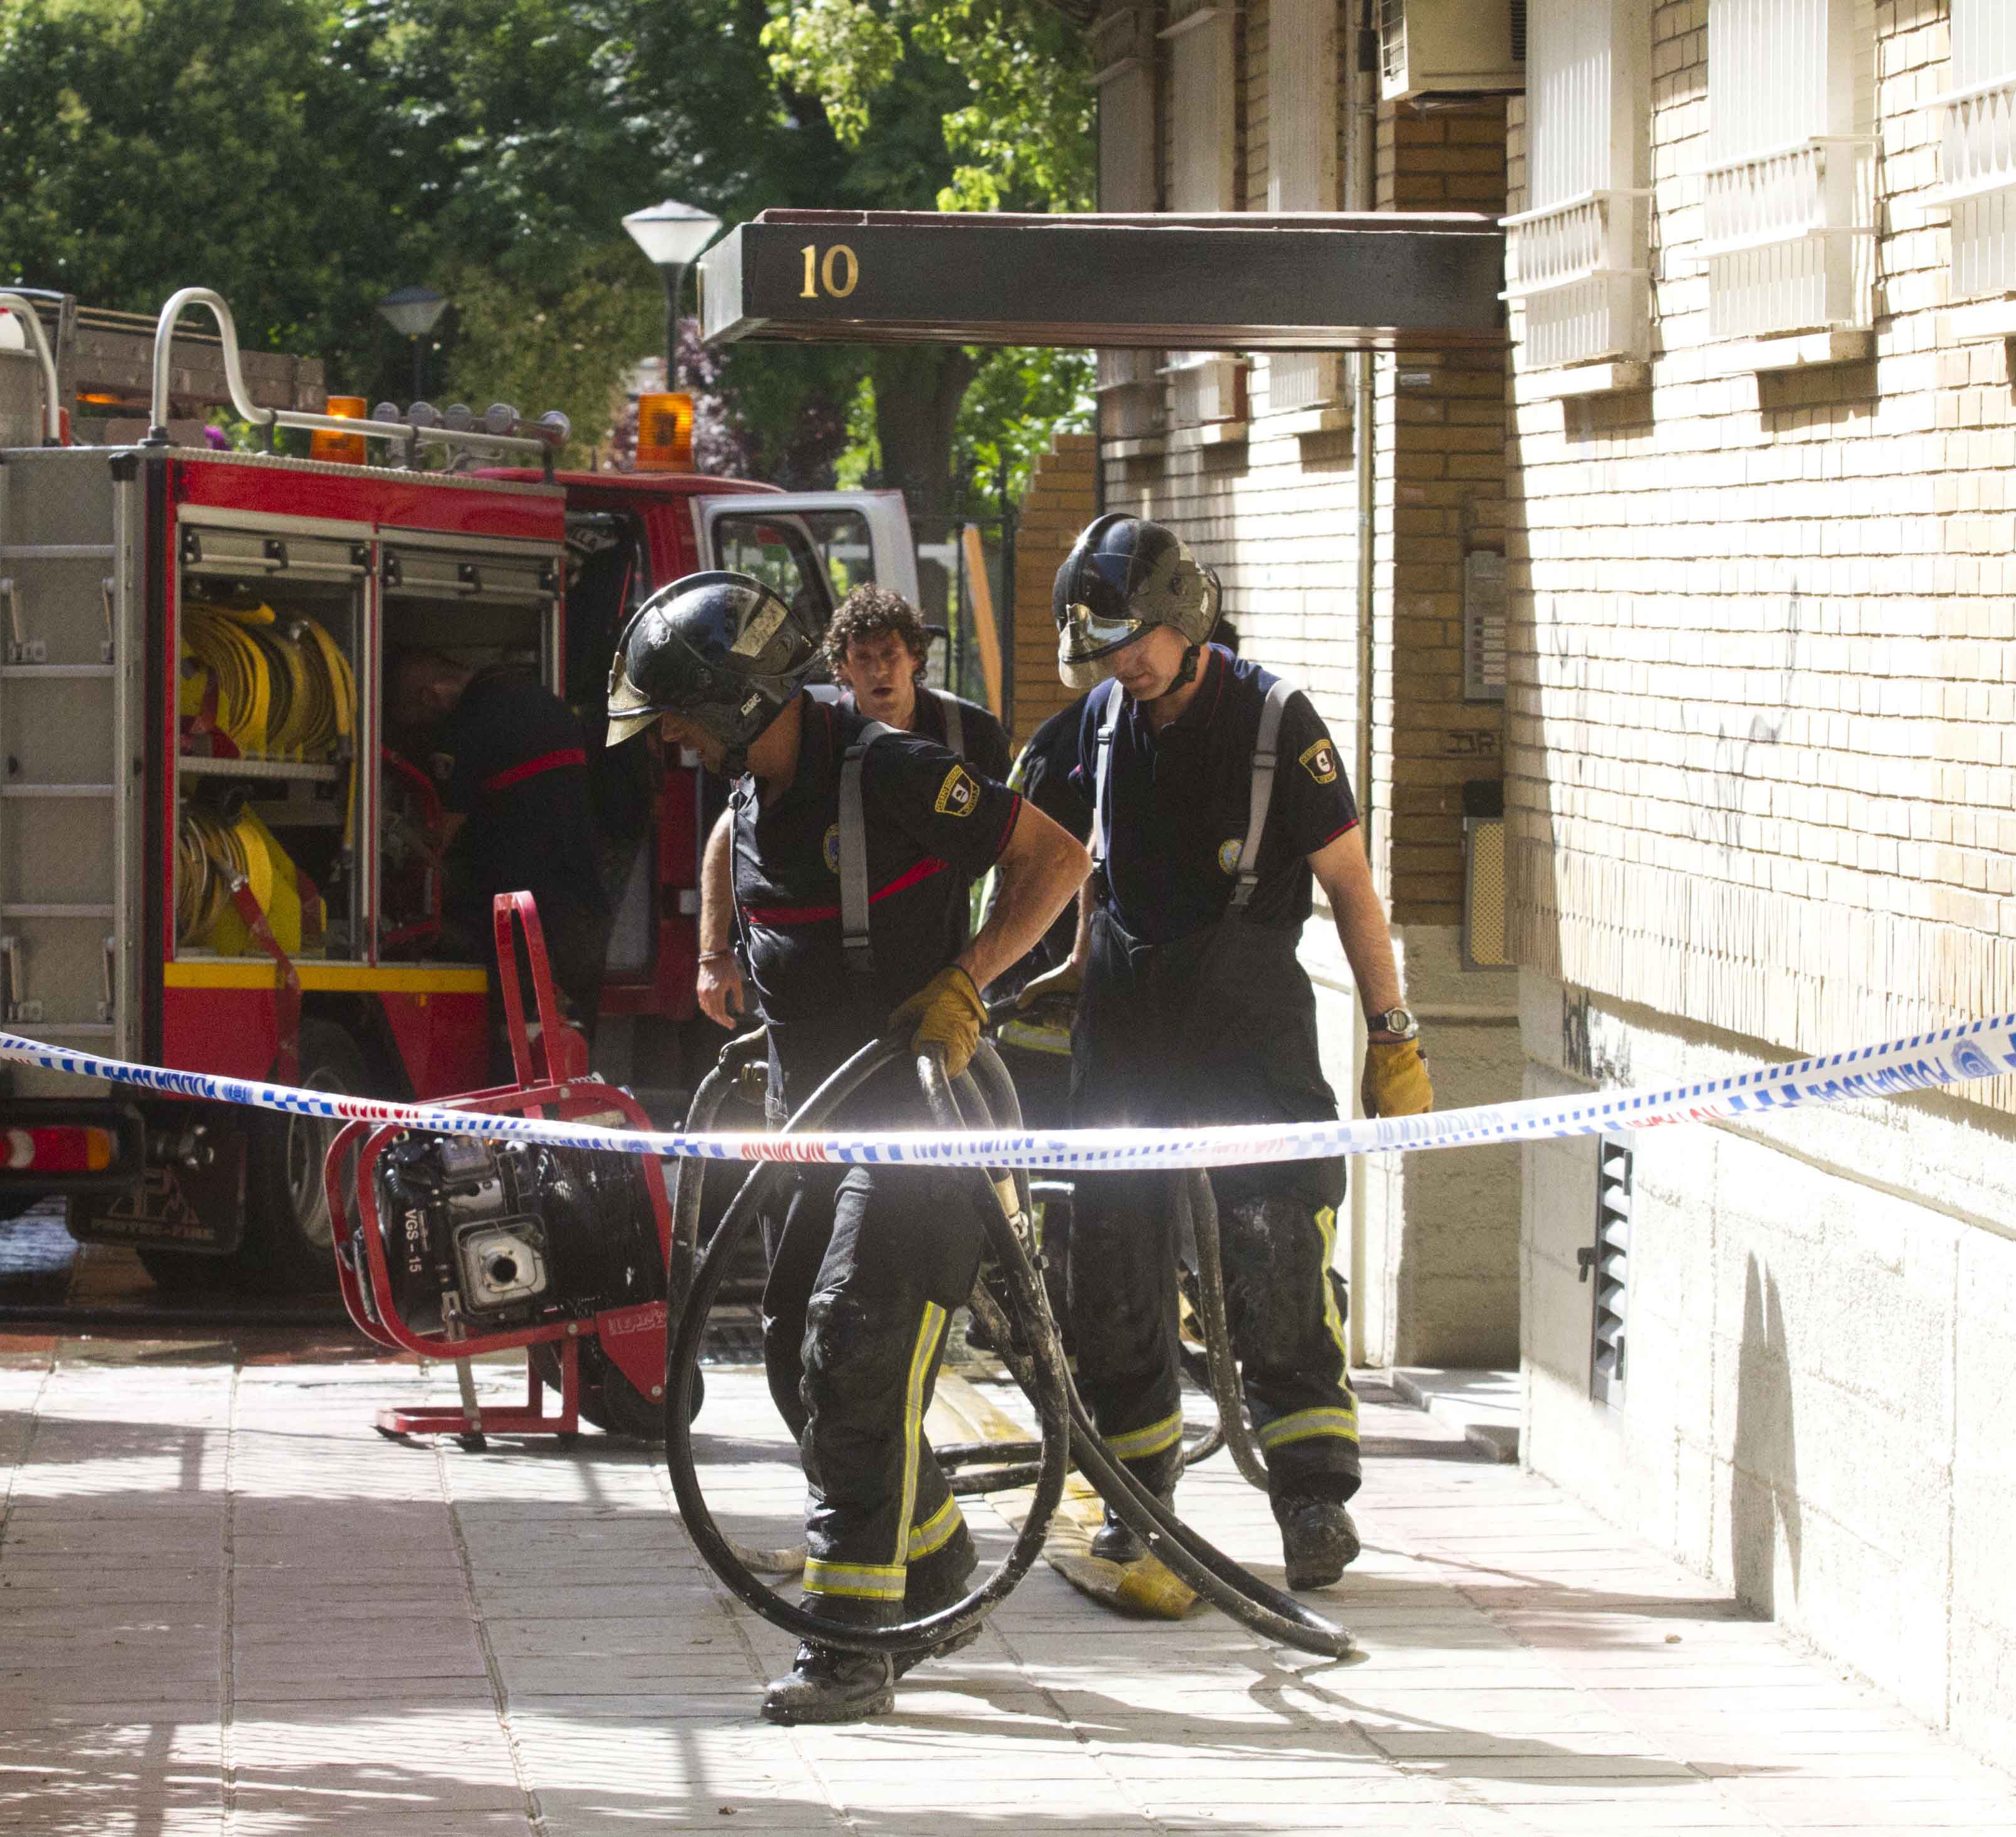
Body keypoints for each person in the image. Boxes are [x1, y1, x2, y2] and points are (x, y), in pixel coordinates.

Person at [607, 571, 1088, 1723]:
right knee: (790, 1358)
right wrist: (718, 953)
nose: (667, 737)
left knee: (853, 1350)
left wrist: (969, 985)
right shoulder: (754, 790)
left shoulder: (896, 770)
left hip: (921, 1128)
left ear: (733, 698)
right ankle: (930, 1563)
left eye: (678, 712)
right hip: (816, 1130)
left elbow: (1056, 860)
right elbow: (727, 842)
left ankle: (848, 1640)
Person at [1020, 514, 1433, 1592]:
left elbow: (1348, 885)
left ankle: (1310, 1500)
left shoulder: (1275, 722)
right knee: (1112, 1268)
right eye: (1105, 647)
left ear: (1181, 616)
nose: (1121, 664)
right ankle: (1136, 1494)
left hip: (1249, 1040)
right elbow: (1039, 865)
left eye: (1134, 639)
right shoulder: (1095, 729)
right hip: (1125, 1043)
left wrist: (1391, 1034)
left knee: (1275, 1255)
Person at [693, 584, 1010, 1031]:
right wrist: (714, 952)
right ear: (841, 666)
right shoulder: (818, 738)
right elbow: (732, 825)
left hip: (937, 972)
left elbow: (1022, 855)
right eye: (864, 657)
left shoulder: (972, 733)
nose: (880, 670)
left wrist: (979, 973)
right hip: (831, 993)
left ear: (915, 658)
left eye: (891, 654)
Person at [392, 650, 612, 1070]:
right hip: (586, 910)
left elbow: (439, 835)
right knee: (575, 1053)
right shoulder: (546, 704)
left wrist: (398, 871)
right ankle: (571, 1131)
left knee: (524, 1055)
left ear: (429, 697)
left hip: (531, 922)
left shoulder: (468, 726)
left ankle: (526, 1133)